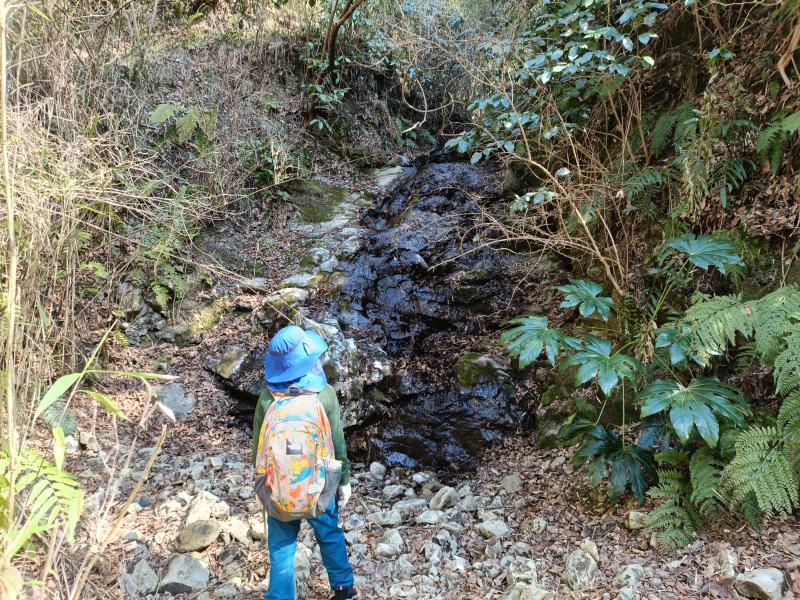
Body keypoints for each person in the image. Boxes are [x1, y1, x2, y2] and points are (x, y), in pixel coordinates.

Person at [252, 325, 357, 600]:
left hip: (279, 487)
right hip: (318, 486)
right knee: (330, 534)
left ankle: (280, 596)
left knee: (281, 546)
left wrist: (263, 485)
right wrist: (344, 480)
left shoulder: (267, 398)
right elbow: (337, 443)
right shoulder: (325, 394)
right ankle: (344, 589)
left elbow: (258, 449)